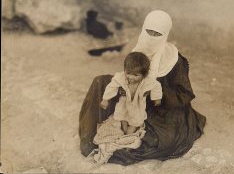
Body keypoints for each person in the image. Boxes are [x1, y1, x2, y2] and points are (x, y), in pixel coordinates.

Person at [79, 10, 206, 165]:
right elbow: (128, 76)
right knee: (100, 82)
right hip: (133, 100)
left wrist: (158, 93)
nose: (151, 38)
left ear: (165, 34)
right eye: (148, 31)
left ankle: (121, 140)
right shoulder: (137, 52)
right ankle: (90, 138)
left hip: (162, 109)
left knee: (165, 140)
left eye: (157, 33)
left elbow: (185, 94)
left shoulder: (173, 59)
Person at [100, 52, 162, 135]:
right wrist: (105, 99)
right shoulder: (121, 77)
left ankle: (129, 132)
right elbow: (111, 86)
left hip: (138, 103)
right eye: (128, 73)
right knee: (122, 113)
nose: (131, 77)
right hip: (124, 101)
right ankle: (124, 127)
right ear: (124, 70)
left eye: (136, 75)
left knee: (137, 119)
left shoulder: (147, 80)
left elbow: (156, 86)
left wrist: (157, 98)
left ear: (144, 75)